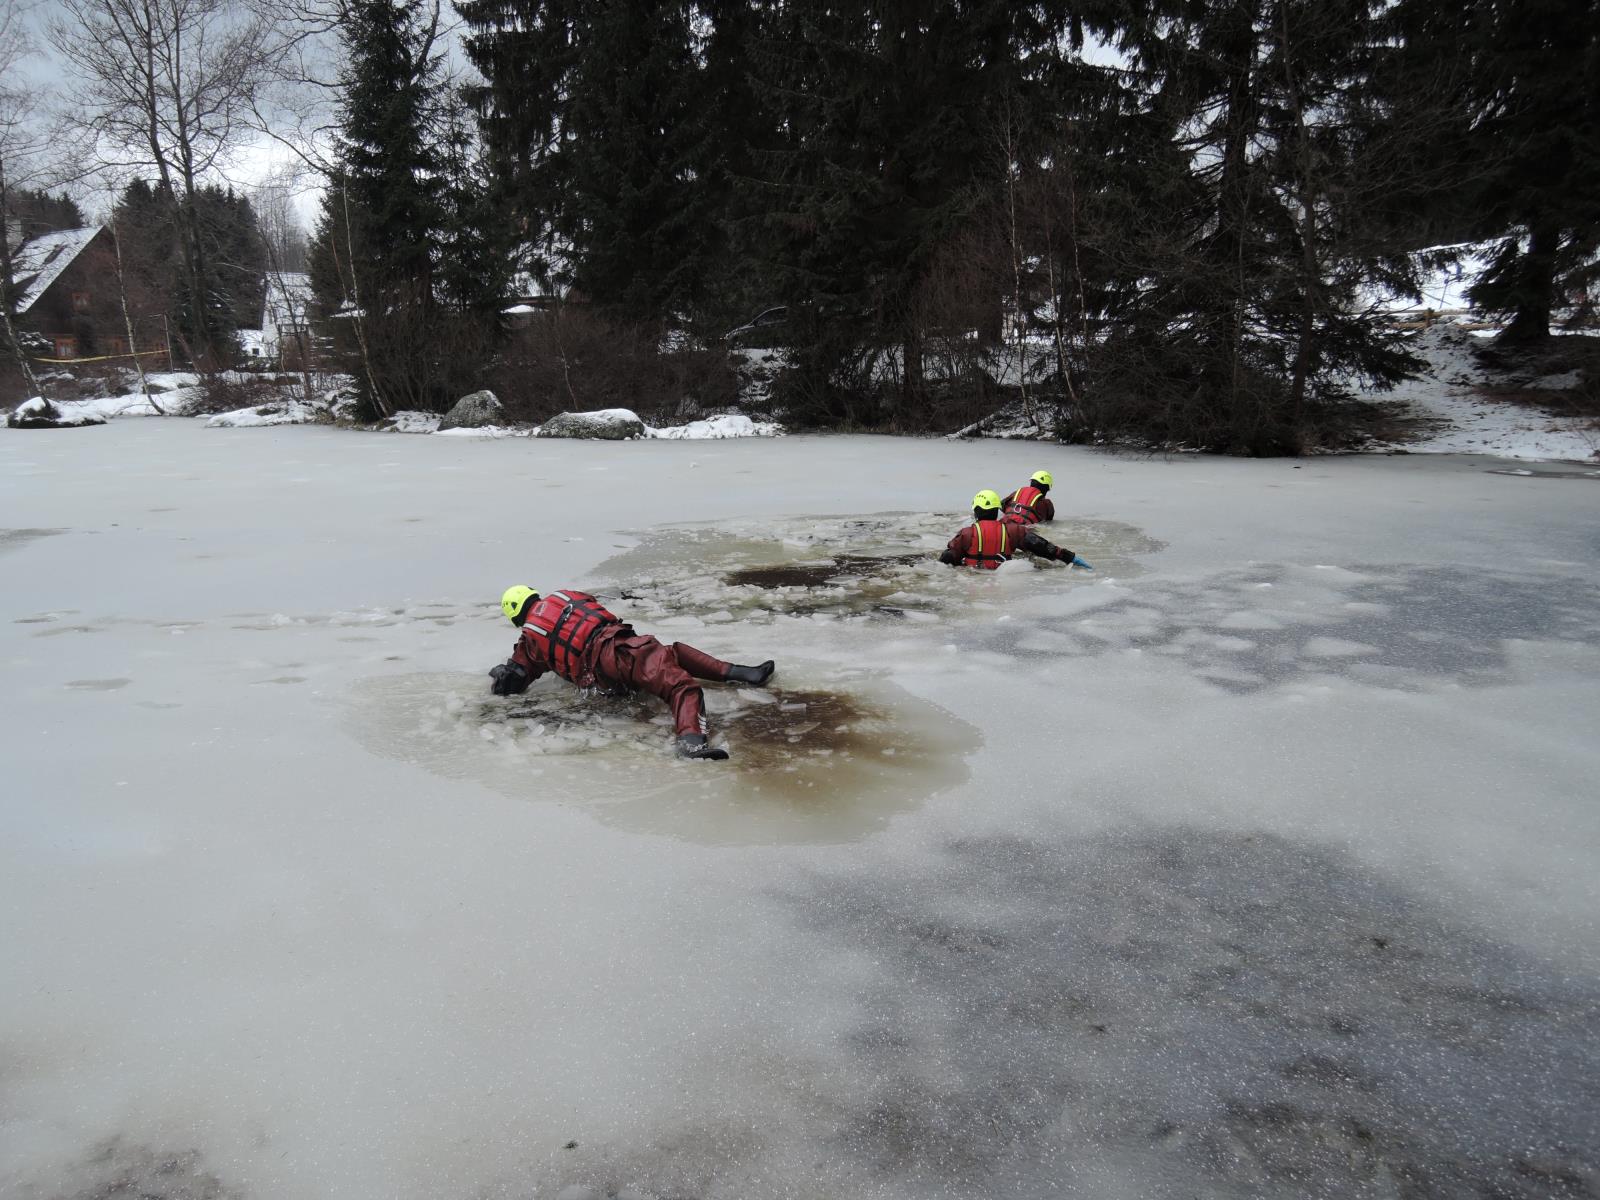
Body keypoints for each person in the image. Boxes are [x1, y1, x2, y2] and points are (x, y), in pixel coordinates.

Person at [488, 586, 775, 761]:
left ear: (514, 614)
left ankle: (738, 672)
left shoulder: (530, 641)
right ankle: (691, 744)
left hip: (604, 675)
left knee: (670, 653)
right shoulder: (567, 597)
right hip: (619, 651)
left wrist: (500, 675)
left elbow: (513, 680)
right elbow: (597, 612)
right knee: (681, 686)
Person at [939, 490, 1093, 571]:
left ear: (977, 511)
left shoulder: (966, 533)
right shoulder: (1013, 531)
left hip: (972, 578)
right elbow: (1043, 547)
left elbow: (948, 557)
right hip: (1005, 576)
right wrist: (1069, 557)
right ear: (996, 510)